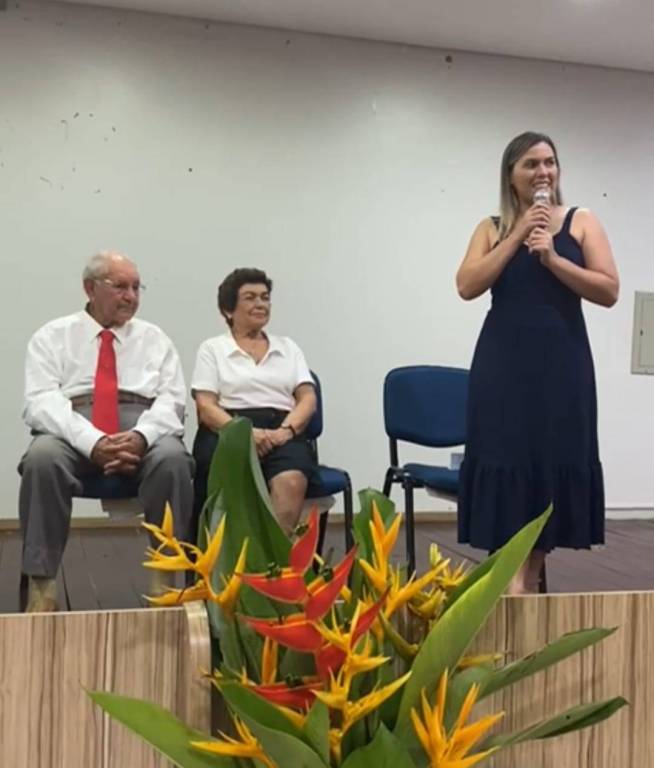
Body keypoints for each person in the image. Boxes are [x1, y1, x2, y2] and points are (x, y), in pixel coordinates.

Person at [455, 131, 619, 594]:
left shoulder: (582, 221)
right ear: (511, 176)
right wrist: (518, 234)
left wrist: (553, 259)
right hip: (502, 366)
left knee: (547, 463)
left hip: (561, 366)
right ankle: (515, 584)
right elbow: (467, 285)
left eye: (550, 162)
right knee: (506, 459)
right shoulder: (491, 228)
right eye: (531, 164)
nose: (543, 171)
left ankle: (521, 583)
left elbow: (608, 290)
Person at [19, 251, 193, 612]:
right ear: (90, 288)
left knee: (173, 458)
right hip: (72, 428)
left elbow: (173, 400)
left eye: (136, 287)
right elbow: (41, 401)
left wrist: (141, 436)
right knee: (42, 458)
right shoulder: (52, 336)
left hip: (141, 426)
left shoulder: (155, 339)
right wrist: (93, 441)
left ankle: (165, 581)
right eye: (120, 287)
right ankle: (42, 586)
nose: (131, 296)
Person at [191, 268, 317, 535]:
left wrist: (286, 431)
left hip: (281, 429)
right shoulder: (213, 348)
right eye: (250, 297)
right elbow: (205, 406)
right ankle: (230, 558)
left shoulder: (288, 347)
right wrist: (244, 433)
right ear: (228, 309)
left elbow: (307, 398)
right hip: (228, 430)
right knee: (231, 484)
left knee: (291, 481)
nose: (260, 304)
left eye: (265, 297)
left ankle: (275, 558)